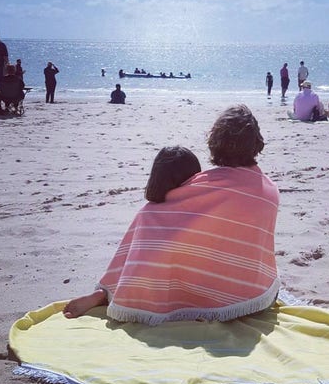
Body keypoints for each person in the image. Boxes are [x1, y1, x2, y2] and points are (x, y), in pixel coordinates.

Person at [62, 104, 280, 324]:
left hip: (199, 291)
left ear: (215, 145)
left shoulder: (201, 184)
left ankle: (110, 291)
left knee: (149, 217)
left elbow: (166, 212)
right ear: (256, 144)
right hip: (254, 295)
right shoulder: (270, 190)